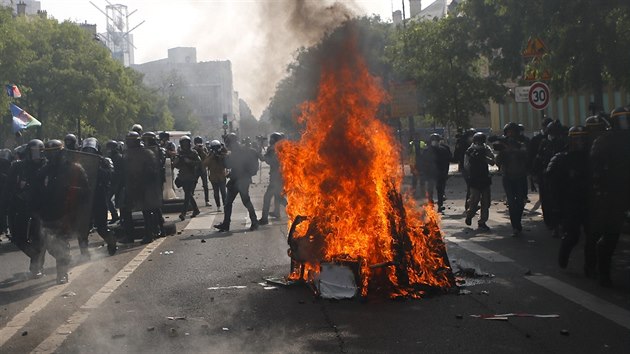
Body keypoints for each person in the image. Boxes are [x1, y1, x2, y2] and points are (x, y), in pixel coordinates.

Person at [587, 106, 630, 287]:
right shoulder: (604, 140)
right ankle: (603, 271)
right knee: (610, 233)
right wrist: (600, 190)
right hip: (613, 192)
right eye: (621, 120)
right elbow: (594, 167)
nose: (624, 124)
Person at [37, 139, 91, 284]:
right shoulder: (44, 171)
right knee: (50, 245)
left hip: (67, 213)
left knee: (61, 242)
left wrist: (71, 190)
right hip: (48, 213)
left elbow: (86, 192)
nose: (50, 156)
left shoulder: (75, 169)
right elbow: (37, 191)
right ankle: (65, 258)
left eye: (53, 153)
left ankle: (62, 274)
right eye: (48, 153)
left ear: (61, 153)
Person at [545, 125, 590, 269]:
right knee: (572, 235)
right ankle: (563, 256)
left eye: (582, 139)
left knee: (593, 236)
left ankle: (591, 267)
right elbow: (552, 184)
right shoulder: (561, 158)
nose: (580, 142)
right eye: (576, 139)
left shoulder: (592, 156)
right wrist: (557, 207)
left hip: (590, 201)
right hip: (570, 202)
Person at [0, 139, 46, 278]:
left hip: (40, 208)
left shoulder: (47, 167)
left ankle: (36, 268)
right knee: (18, 238)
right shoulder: (18, 167)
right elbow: (8, 188)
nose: (36, 155)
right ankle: (35, 257)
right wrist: (4, 206)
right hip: (21, 207)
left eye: (39, 152)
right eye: (34, 152)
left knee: (39, 238)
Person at [214, 133, 259, 232]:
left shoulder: (236, 152)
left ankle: (254, 222)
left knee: (241, 202)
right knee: (232, 202)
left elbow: (228, 165)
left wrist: (224, 156)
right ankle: (227, 224)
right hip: (239, 180)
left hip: (240, 180)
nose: (227, 145)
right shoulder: (241, 149)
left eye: (227, 143)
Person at [81, 137, 117, 256]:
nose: (89, 153)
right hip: (84, 198)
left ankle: (112, 244)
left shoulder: (104, 161)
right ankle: (84, 253)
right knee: (83, 228)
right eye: (86, 150)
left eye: (91, 150)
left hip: (99, 197)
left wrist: (97, 167)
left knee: (102, 227)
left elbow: (110, 176)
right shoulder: (80, 162)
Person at [496, 123, 529, 236]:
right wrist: (504, 151)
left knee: (520, 202)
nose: (511, 134)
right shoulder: (503, 145)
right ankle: (515, 226)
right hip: (508, 177)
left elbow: (527, 156)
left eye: (513, 132)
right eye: (508, 132)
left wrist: (515, 149)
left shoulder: (522, 144)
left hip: (520, 177)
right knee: (511, 202)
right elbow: (497, 162)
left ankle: (518, 223)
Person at [464, 132, 495, 231]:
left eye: (481, 142)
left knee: (486, 202)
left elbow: (492, 161)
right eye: (478, 142)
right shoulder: (470, 151)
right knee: (474, 201)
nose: (479, 144)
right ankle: (469, 215)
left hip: (485, 178)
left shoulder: (486, 149)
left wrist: (483, 158)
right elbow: (466, 165)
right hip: (474, 179)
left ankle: (482, 222)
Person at [259, 132, 287, 225]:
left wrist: (262, 155)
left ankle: (264, 219)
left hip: (276, 177)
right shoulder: (282, 148)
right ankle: (280, 212)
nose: (270, 140)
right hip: (280, 176)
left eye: (272, 138)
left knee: (268, 197)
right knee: (279, 197)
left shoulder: (274, 149)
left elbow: (269, 161)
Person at [173, 136, 201, 220]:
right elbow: (176, 165)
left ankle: (183, 213)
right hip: (183, 176)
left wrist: (189, 161)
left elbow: (199, 163)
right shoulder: (180, 153)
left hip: (191, 176)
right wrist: (177, 161)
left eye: (186, 143)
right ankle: (196, 209)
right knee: (188, 194)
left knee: (187, 195)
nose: (185, 145)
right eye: (183, 144)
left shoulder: (193, 153)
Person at [427, 133, 452, 212]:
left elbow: (447, 162)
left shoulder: (443, 150)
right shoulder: (427, 151)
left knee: (440, 190)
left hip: (440, 173)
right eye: (433, 140)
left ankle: (440, 205)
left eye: (436, 140)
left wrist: (445, 173)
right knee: (430, 190)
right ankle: (430, 204)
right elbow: (423, 162)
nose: (435, 142)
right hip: (430, 174)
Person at [203, 140, 227, 212]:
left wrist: (221, 154)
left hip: (222, 176)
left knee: (223, 192)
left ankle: (225, 205)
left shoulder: (223, 154)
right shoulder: (210, 155)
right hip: (214, 177)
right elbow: (205, 164)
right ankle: (218, 206)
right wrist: (212, 156)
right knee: (216, 193)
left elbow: (228, 161)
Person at [193, 136, 211, 206]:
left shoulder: (204, 149)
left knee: (205, 185)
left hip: (203, 169)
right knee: (193, 184)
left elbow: (207, 157)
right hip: (196, 169)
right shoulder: (194, 149)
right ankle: (191, 200)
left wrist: (202, 151)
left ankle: (207, 200)